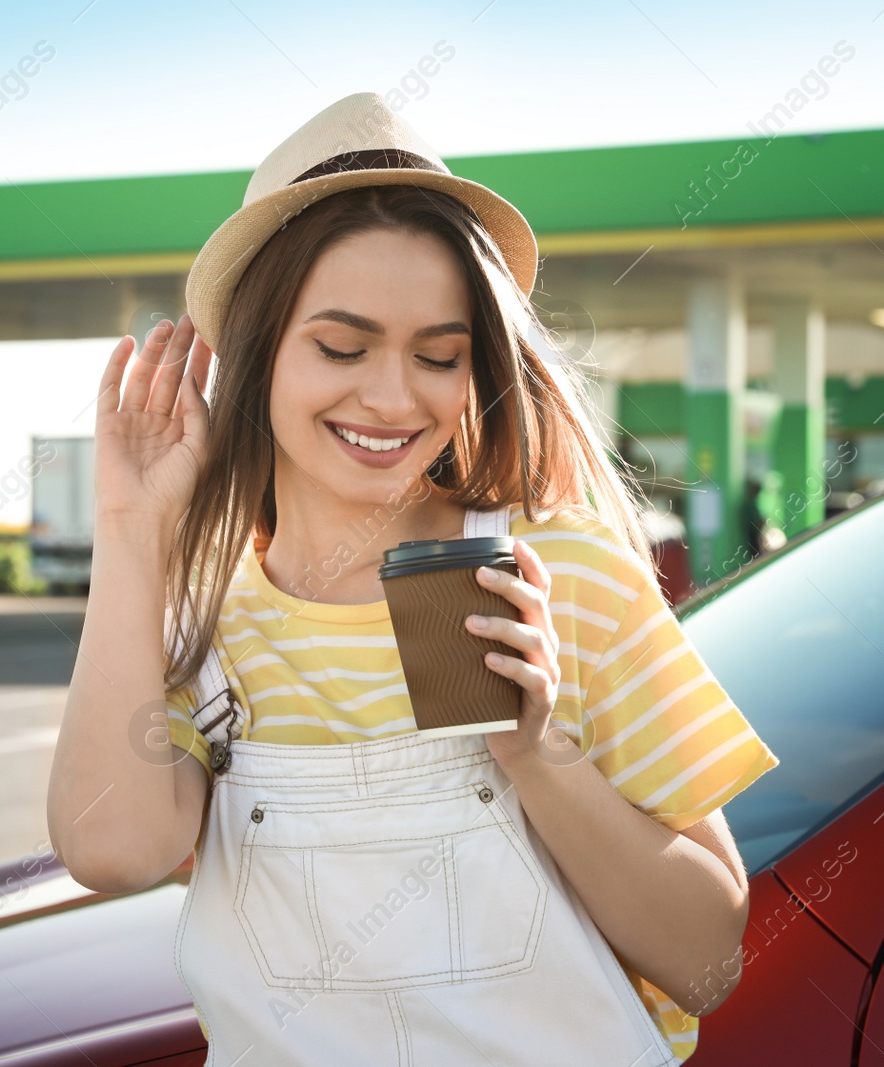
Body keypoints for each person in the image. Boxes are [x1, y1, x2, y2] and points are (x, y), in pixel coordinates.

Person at [47, 92, 779, 1066]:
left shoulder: (560, 571)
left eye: (438, 354)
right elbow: (110, 850)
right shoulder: (203, 611)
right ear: (257, 353)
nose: (393, 397)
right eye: (341, 347)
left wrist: (534, 753)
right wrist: (132, 532)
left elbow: (707, 963)